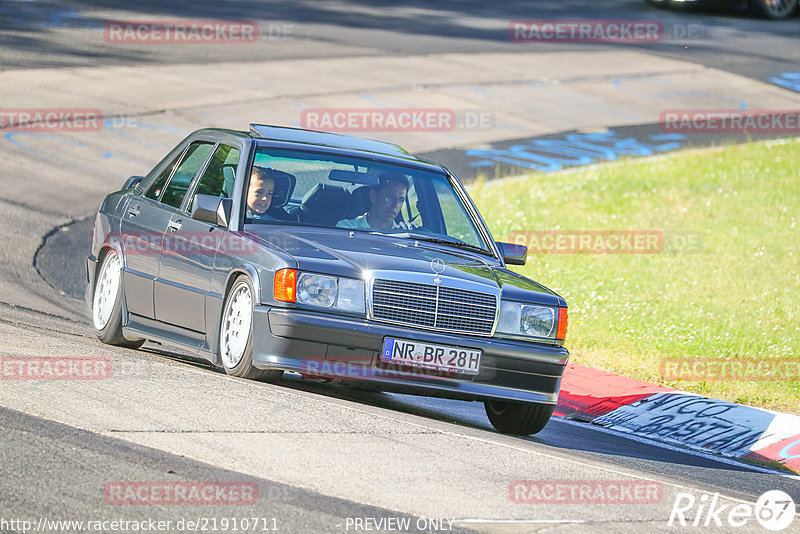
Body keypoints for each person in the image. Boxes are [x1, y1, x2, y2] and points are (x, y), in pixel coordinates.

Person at [336, 173, 410, 230]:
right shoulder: (346, 228)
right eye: (389, 197)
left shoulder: (403, 234)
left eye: (401, 200)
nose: (396, 204)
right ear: (373, 196)